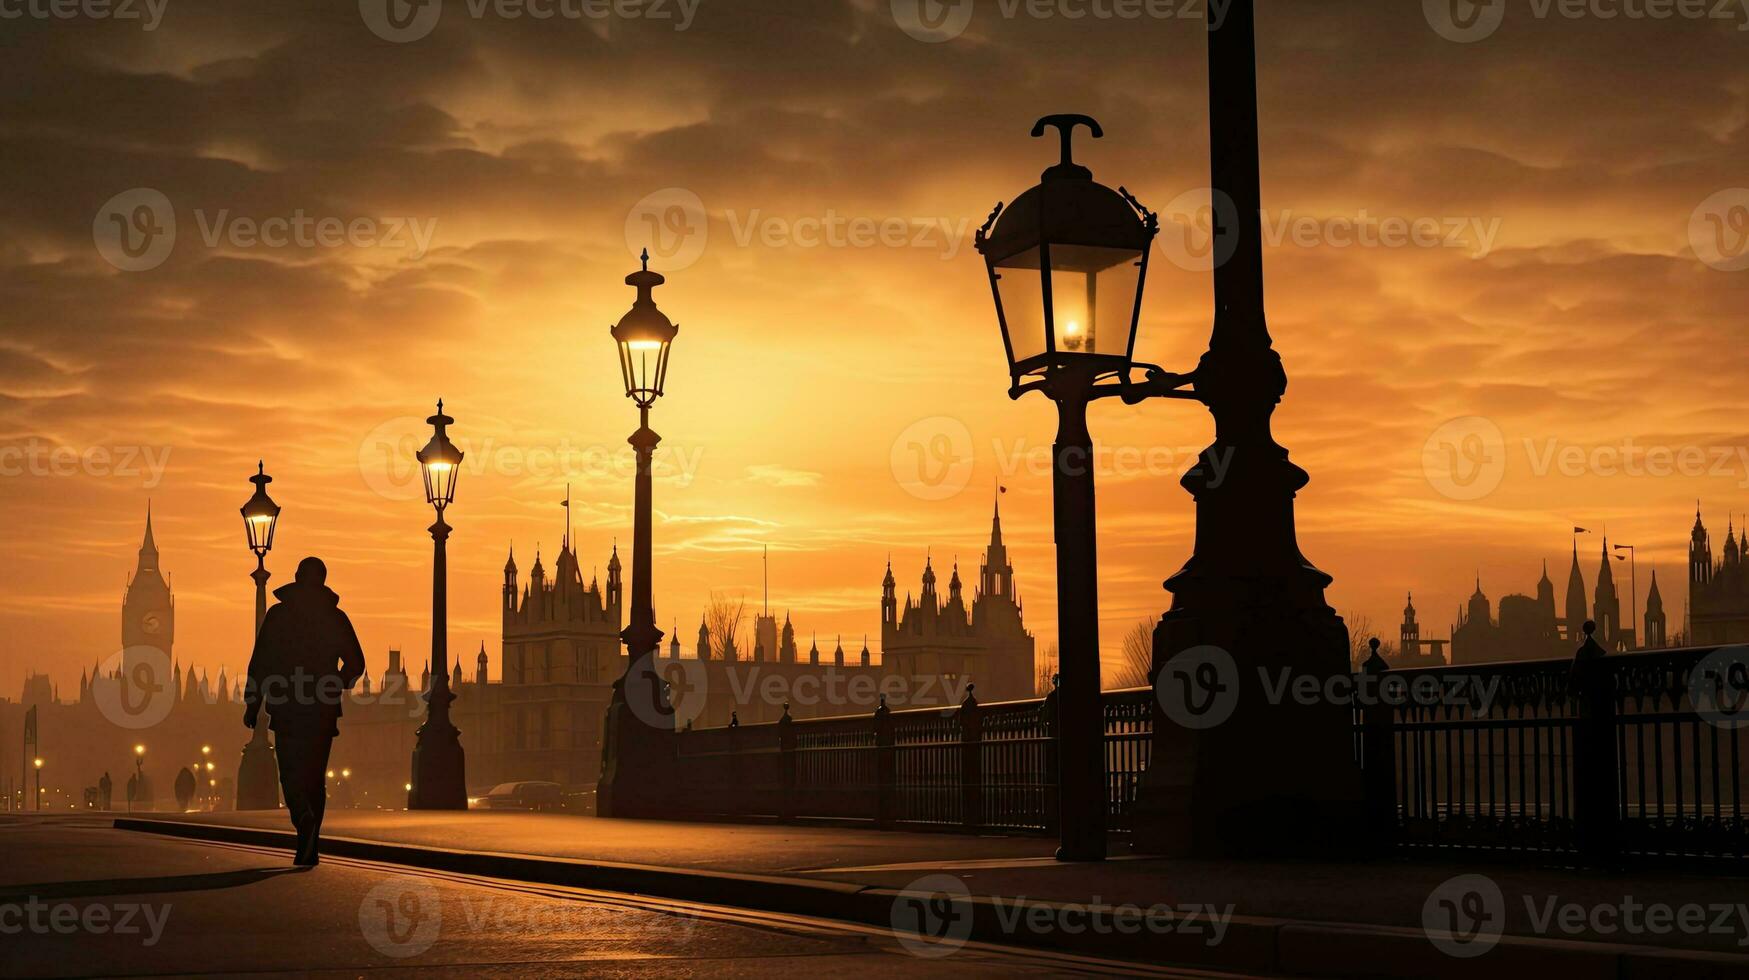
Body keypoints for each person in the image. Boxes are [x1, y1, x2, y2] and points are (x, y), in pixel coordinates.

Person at [243, 557, 365, 867]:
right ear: (323, 580)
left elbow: (261, 663)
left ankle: (303, 819)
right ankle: (309, 843)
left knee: (290, 773)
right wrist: (335, 683)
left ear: (297, 577)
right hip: (322, 709)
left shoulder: (278, 616)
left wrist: (253, 704)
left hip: (287, 707)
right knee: (315, 778)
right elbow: (356, 663)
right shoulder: (335, 618)